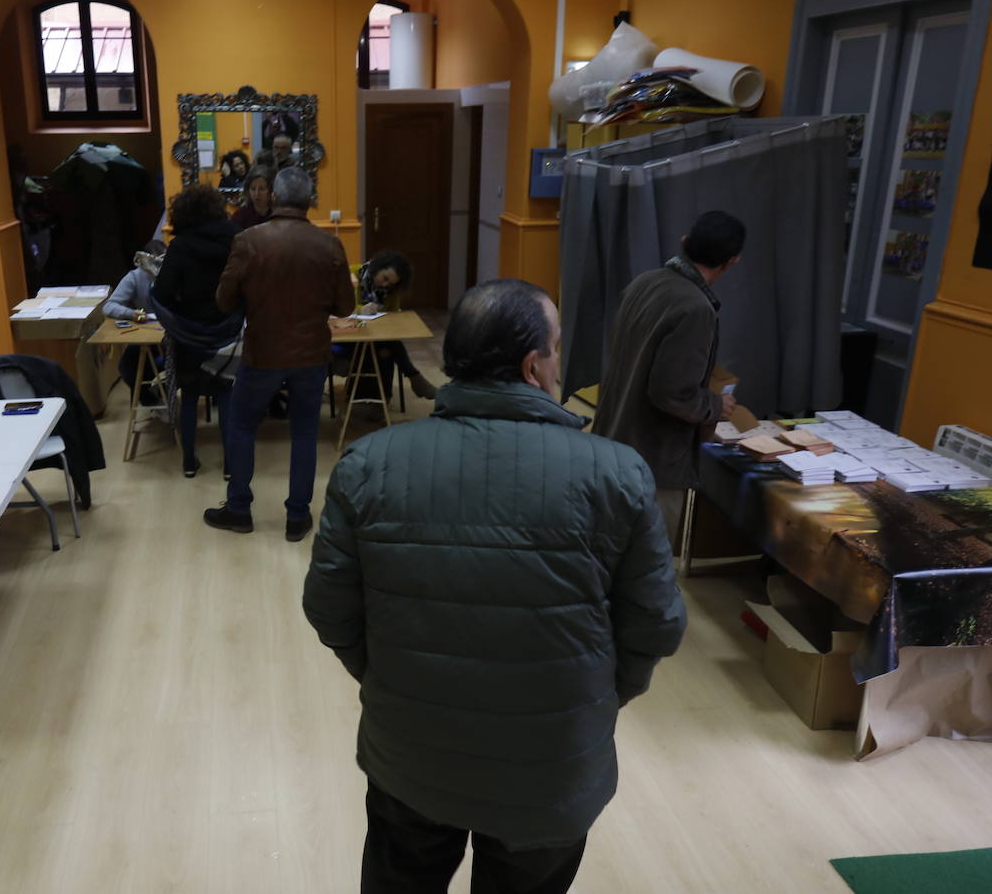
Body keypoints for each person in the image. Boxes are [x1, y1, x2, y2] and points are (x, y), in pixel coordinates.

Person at [304, 279, 686, 893]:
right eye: (557, 348)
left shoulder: (369, 463)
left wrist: (389, 678)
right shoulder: (616, 473)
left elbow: (327, 607)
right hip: (553, 763)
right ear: (534, 365)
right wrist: (601, 696)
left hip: (412, 751)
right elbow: (657, 622)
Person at [205, 167, 354, 541]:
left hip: (262, 352)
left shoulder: (249, 240)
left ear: (273, 196)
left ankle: (239, 508)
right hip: (312, 354)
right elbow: (345, 308)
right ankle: (297, 517)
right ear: (309, 201)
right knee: (304, 433)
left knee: (241, 426)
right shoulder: (330, 245)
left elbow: (223, 301)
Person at [592, 210, 745, 544]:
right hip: (653, 461)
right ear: (733, 261)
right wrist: (715, 405)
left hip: (613, 440)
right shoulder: (695, 308)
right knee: (645, 567)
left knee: (606, 553)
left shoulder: (643, 282)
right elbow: (671, 393)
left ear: (685, 243)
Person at [151, 184, 242, 478]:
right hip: (228, 329)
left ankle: (189, 461)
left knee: (189, 395)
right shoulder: (235, 239)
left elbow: (162, 294)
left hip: (189, 332)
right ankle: (230, 464)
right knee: (227, 393)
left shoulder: (180, 246)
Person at [350, 250, 438, 415]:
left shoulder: (391, 290)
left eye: (390, 284)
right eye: (384, 279)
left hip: (376, 338)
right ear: (377, 268)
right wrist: (361, 309)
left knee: (385, 348)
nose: (385, 285)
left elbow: (393, 317)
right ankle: (412, 377)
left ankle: (383, 402)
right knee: (387, 346)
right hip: (350, 336)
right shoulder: (352, 274)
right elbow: (338, 310)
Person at [104, 239, 166, 402]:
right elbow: (109, 306)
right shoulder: (136, 276)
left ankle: (165, 396)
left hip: (173, 334)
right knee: (128, 366)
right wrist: (132, 314)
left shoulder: (175, 272)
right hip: (148, 332)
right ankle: (151, 400)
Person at [231, 165, 275, 230]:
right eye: (253, 189)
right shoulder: (240, 215)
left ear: (271, 190)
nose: (256, 193)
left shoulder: (278, 213)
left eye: (262, 189)